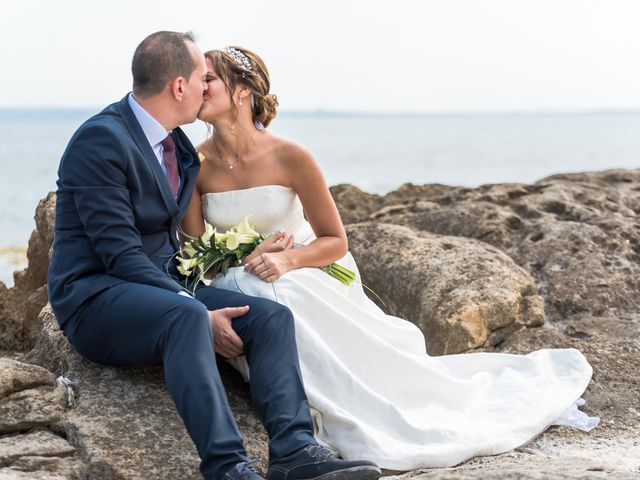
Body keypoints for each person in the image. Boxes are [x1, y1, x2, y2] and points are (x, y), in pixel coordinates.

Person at [182, 46, 600, 471]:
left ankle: (328, 417)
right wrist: (250, 257)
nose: (198, 87)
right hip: (239, 274)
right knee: (252, 286)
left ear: (242, 91)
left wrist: (288, 261)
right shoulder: (195, 165)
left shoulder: (291, 156)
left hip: (308, 269)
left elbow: (335, 240)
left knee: (274, 287)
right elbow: (196, 257)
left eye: (208, 78)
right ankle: (299, 433)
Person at [47, 32, 381, 480]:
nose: (207, 88)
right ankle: (228, 467)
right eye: (202, 79)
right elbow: (120, 255)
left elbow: (179, 245)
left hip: (155, 291)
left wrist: (207, 286)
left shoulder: (178, 149)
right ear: (179, 88)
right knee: (186, 318)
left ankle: (294, 451)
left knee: (268, 319)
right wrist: (195, 308)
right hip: (96, 297)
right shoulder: (101, 140)